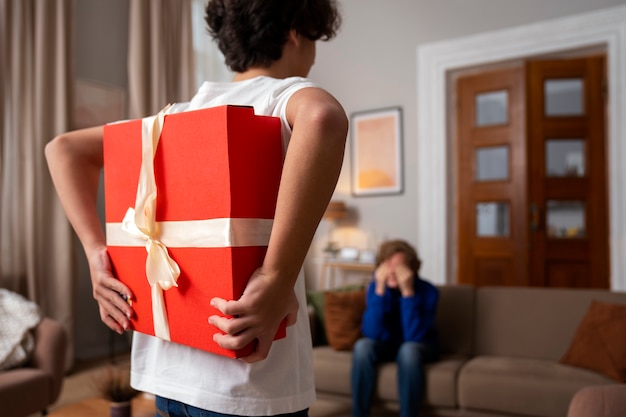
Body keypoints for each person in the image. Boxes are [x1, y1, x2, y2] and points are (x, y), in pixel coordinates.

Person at [45, 1, 347, 416]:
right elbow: (323, 118)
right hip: (249, 388)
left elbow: (62, 149)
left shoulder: (174, 118)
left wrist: (98, 255)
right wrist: (276, 279)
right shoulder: (281, 96)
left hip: (167, 376)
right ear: (297, 32)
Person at [351, 240, 439, 417]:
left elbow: (414, 336)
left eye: (398, 266)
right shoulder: (376, 289)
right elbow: (371, 332)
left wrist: (407, 292)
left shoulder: (429, 291)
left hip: (421, 345)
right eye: (387, 265)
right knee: (362, 347)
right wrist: (380, 290)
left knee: (408, 350)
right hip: (388, 344)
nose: (391, 271)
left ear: (411, 269)